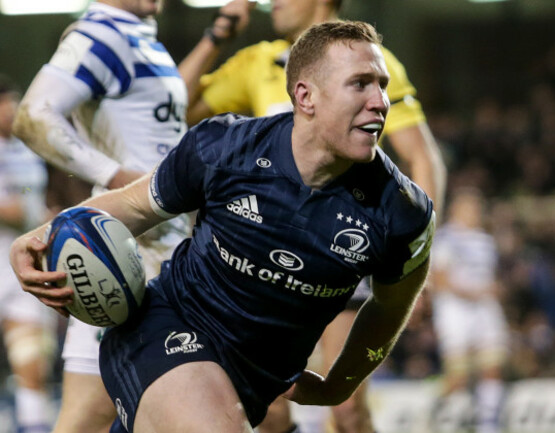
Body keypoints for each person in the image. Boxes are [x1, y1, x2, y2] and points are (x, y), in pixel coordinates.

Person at [10, 20, 435, 433]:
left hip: (251, 385)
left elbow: (387, 308)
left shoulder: (402, 213)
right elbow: (133, 206)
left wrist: (340, 385)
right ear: (305, 97)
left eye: (381, 85)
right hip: (164, 329)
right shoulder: (225, 148)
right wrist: (40, 237)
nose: (381, 101)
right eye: (361, 84)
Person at [186, 1, 447, 431]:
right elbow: (177, 106)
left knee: (347, 409)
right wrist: (218, 34)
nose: (274, 2)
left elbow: (424, 160)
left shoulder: (369, 64)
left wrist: (417, 263)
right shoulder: (258, 61)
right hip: (271, 258)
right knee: (267, 410)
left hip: (344, 250)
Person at [12, 1, 233, 432]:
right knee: (92, 419)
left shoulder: (140, 37)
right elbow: (33, 116)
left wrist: (215, 38)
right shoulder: (99, 34)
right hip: (124, 254)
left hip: (167, 248)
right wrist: (117, 176)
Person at [0, 75, 56, 433]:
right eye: (6, 102)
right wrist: (39, 218)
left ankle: (32, 424)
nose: (13, 109)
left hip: (17, 264)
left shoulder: (25, 149)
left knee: (32, 357)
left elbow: (34, 203)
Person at [427, 188, 507, 433]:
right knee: (458, 378)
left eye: (477, 208)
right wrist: (475, 292)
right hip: (455, 310)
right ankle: (432, 412)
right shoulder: (445, 238)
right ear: (456, 210)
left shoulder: (486, 240)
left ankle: (487, 427)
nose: (475, 213)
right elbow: (440, 280)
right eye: (470, 207)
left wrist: (494, 291)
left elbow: (489, 277)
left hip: (484, 309)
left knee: (492, 368)